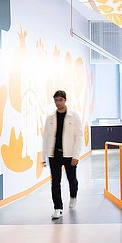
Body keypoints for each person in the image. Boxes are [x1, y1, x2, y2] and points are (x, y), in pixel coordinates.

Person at [42, 90, 85, 220]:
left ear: (65, 100)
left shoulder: (74, 116)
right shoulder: (50, 118)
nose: (58, 102)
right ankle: (58, 208)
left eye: (60, 100)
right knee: (55, 182)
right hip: (54, 155)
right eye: (56, 100)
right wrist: (44, 157)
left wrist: (76, 155)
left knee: (72, 180)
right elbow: (46, 138)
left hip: (69, 155)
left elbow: (79, 137)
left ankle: (73, 195)